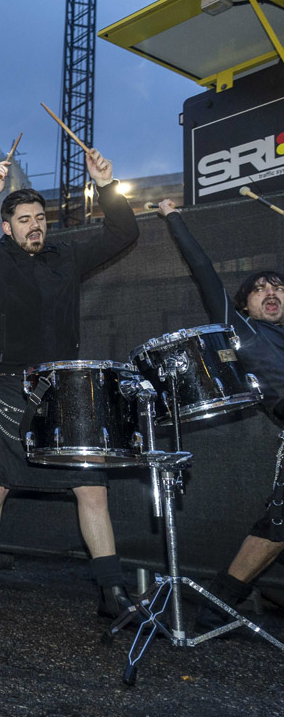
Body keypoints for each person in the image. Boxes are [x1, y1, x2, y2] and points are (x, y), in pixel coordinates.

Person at [0, 148, 139, 619]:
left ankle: (111, 591)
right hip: (9, 387)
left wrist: (106, 184)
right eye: (24, 220)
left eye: (39, 219)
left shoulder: (66, 256)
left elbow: (124, 232)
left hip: (64, 391)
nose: (35, 226)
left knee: (91, 489)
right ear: (7, 227)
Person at [155, 199, 284, 631]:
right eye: (259, 289)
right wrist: (174, 217)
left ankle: (217, 606)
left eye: (278, 287)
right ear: (244, 306)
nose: (271, 292)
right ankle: (217, 607)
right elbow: (203, 269)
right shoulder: (242, 329)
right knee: (276, 527)